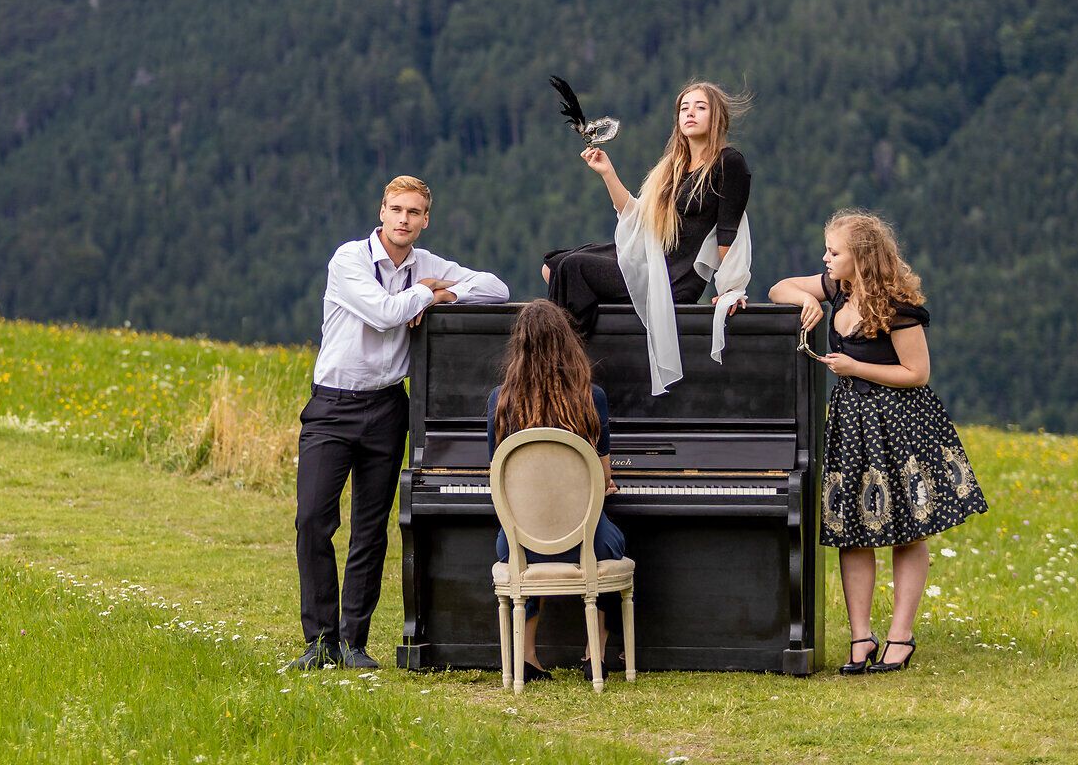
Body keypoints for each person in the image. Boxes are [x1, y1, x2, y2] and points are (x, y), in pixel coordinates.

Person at [291, 175, 510, 672]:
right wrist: (424, 296)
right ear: (382, 211)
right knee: (312, 521)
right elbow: (383, 312)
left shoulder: (426, 265)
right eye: (396, 210)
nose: (403, 220)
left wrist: (444, 293)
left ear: (425, 219)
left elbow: (496, 288)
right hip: (332, 405)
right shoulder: (348, 259)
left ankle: (353, 642)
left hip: (389, 408)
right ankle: (318, 641)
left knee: (371, 528)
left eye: (414, 212)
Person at [768, 210, 988, 675]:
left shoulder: (897, 307)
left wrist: (855, 368)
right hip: (852, 426)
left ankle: (900, 638)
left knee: (907, 530)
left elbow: (917, 374)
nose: (825, 259)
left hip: (901, 424)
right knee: (852, 530)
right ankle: (860, 637)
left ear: (861, 258)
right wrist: (805, 303)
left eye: (834, 252)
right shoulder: (836, 289)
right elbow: (778, 288)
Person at [542, 81, 753, 391]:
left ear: (716, 116)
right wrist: (607, 173)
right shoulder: (673, 167)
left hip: (674, 276)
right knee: (554, 263)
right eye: (684, 108)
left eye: (700, 107)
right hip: (653, 258)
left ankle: (559, 370)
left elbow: (728, 234)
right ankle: (575, 346)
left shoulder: (728, 163)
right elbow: (637, 217)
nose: (690, 113)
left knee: (574, 269)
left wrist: (731, 287)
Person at [485, 300, 625, 681]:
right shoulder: (591, 397)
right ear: (568, 344)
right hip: (586, 538)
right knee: (613, 545)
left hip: (520, 540)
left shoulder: (500, 401)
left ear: (520, 346)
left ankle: (527, 658)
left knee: (515, 546)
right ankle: (591, 654)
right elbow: (603, 476)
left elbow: (498, 476)